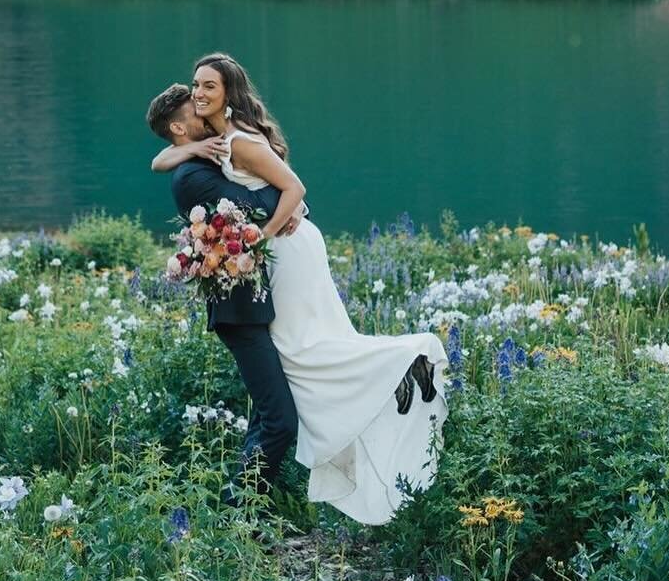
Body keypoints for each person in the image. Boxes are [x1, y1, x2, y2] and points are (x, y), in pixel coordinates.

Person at [151, 52, 448, 526]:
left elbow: (284, 192)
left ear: (227, 93)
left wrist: (273, 224)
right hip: (271, 266)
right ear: (182, 129)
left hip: (284, 255)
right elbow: (168, 161)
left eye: (207, 88)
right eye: (193, 95)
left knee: (309, 351)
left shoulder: (236, 143)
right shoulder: (198, 158)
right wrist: (193, 154)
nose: (199, 98)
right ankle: (244, 512)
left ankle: (401, 366)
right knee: (302, 359)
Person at [147, 81, 300, 507]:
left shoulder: (204, 158)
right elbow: (259, 205)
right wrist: (292, 199)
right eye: (195, 111)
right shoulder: (194, 176)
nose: (205, 107)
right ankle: (238, 514)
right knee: (279, 421)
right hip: (238, 309)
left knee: (266, 415)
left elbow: (162, 158)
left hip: (249, 304)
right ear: (180, 129)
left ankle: (244, 516)